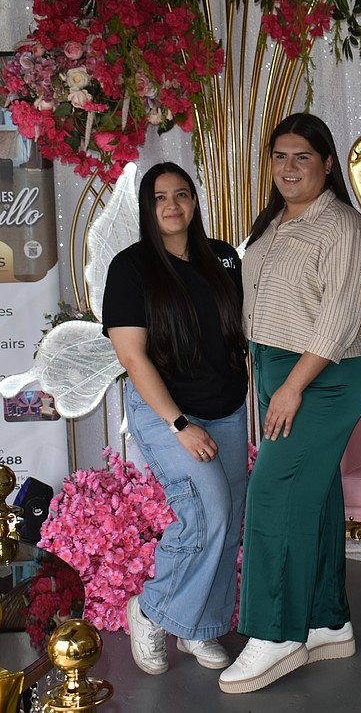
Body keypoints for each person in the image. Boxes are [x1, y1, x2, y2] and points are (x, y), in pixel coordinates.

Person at [218, 112, 361, 694]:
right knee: (314, 496)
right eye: (279, 156)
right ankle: (326, 621)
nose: (288, 167)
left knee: (273, 498)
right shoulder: (275, 221)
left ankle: (276, 633)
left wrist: (290, 387)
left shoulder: (344, 229)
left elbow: (337, 319)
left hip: (322, 378)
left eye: (302, 157)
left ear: (327, 163)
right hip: (280, 371)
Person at [101, 162, 249, 676]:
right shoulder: (132, 267)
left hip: (227, 409)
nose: (171, 205)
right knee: (205, 510)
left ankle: (198, 629)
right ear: (148, 206)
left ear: (194, 201)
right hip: (168, 411)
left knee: (227, 522)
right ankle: (149, 610)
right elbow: (132, 357)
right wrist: (180, 426)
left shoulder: (224, 259)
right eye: (160, 197)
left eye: (181, 194)